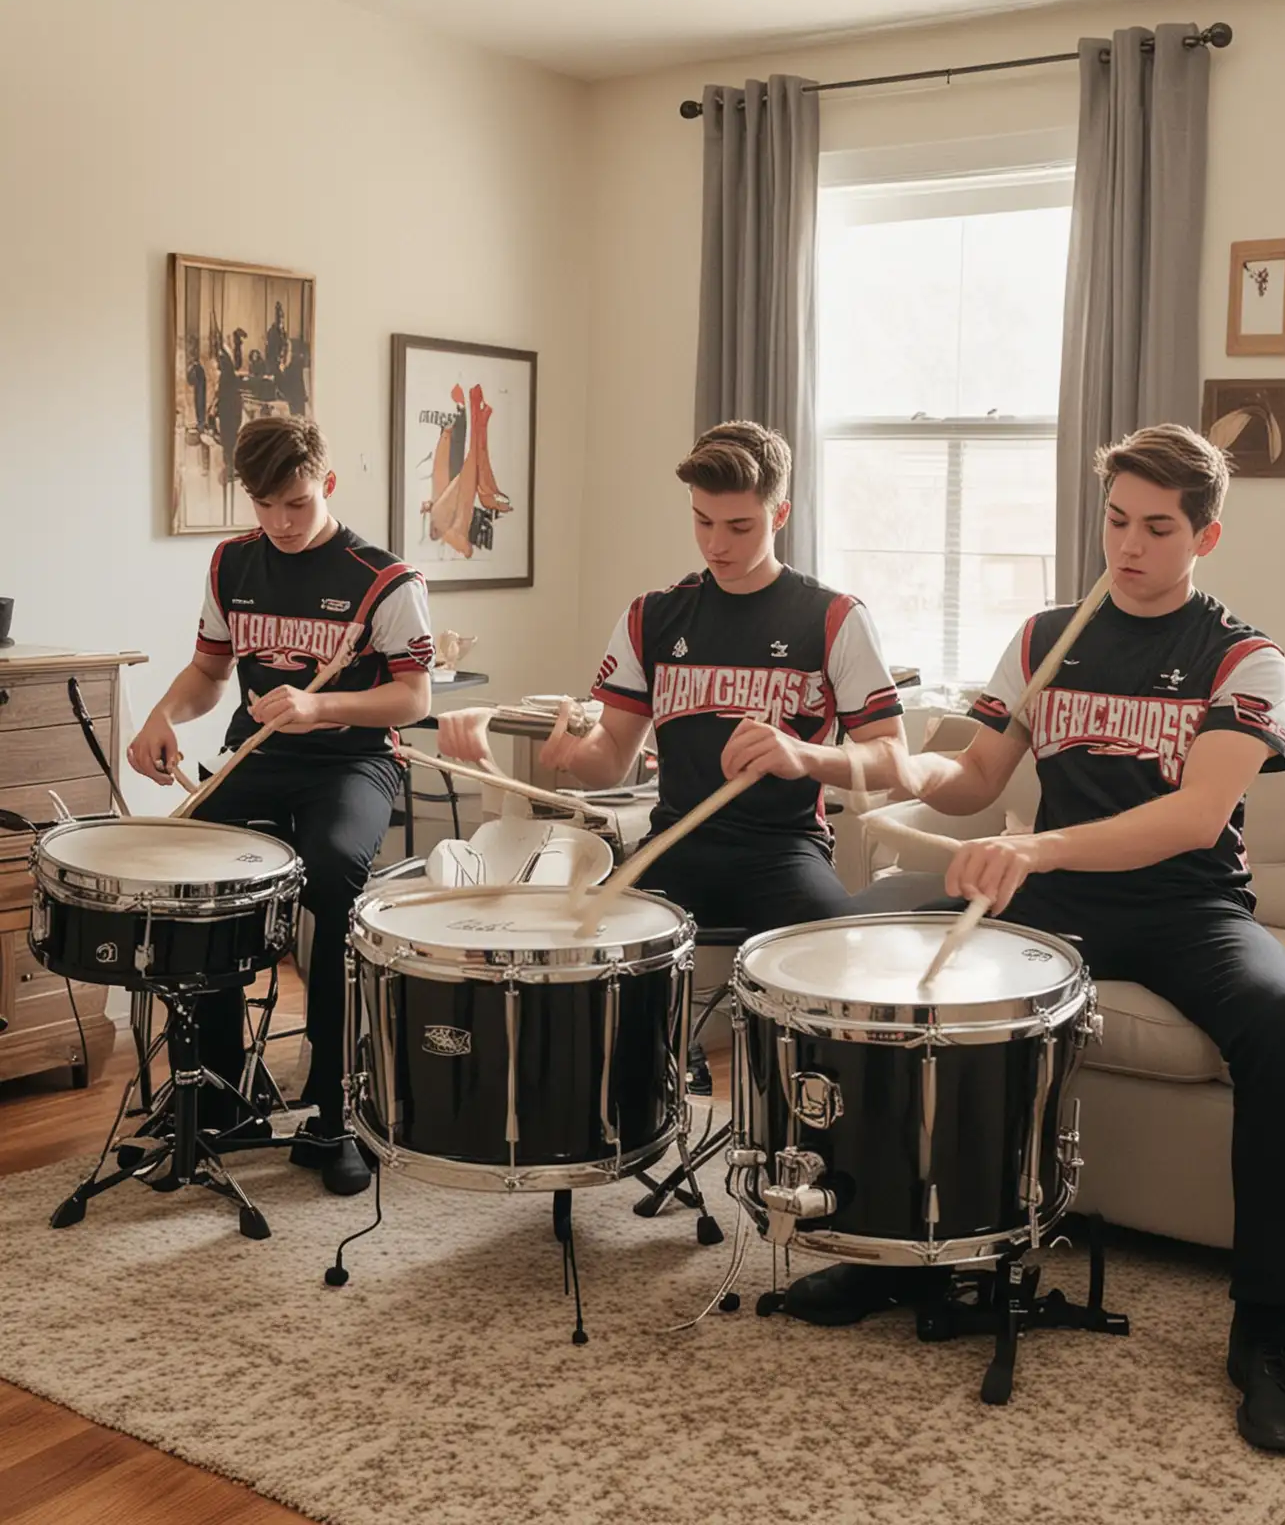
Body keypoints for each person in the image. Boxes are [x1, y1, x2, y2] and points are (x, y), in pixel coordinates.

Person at [787, 424, 1285, 1456]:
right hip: (1055, 898)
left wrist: (1037, 851)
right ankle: (892, 1244)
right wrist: (842, 766)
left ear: (1204, 535)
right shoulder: (1044, 638)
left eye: (1157, 528)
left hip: (1189, 910)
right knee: (851, 939)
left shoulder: (1246, 658)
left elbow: (1195, 818)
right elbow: (975, 779)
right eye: (1116, 521)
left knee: (1281, 1027)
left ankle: (1265, 1332)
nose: (1127, 546)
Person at [437, 420, 910, 1092]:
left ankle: (808, 1121)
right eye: (702, 522)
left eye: (739, 527)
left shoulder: (833, 618)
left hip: (784, 849)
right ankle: (645, 1096)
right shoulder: (653, 617)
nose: (717, 544)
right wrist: (572, 755)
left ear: (781, 513)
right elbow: (609, 762)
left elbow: (892, 759)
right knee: (577, 960)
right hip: (676, 846)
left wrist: (802, 756)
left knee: (830, 963)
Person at [127, 416, 433, 1194]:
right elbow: (207, 672)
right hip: (258, 751)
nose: (282, 524)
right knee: (192, 884)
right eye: (266, 507)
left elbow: (413, 697)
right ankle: (223, 1095)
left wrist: (322, 708)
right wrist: (163, 714)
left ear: (326, 485)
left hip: (352, 761)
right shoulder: (233, 561)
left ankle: (337, 1109)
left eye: (296, 504)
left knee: (333, 878)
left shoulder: (385, 579)